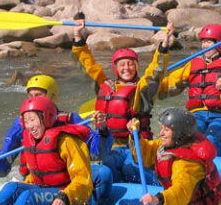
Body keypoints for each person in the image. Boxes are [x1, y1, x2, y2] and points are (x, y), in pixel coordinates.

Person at [0, 74, 111, 205]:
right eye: (30, 96)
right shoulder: (21, 124)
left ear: (52, 97)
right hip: (35, 183)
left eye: (38, 95)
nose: (33, 100)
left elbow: (98, 153)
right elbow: (3, 167)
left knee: (104, 173)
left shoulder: (71, 119)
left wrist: (102, 129)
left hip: (66, 183)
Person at [0, 96, 93, 205]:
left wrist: (65, 195)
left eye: (32, 120)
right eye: (26, 122)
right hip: (45, 189)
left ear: (47, 117)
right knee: (12, 187)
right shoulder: (32, 140)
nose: (29, 126)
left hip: (67, 193)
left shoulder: (67, 140)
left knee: (28, 196)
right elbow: (38, 174)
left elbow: (83, 180)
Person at [73, 18, 174, 181]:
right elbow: (89, 66)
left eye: (131, 64)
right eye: (122, 65)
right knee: (105, 169)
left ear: (136, 67)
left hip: (137, 145)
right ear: (116, 68)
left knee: (129, 169)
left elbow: (156, 72)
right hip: (111, 145)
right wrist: (78, 38)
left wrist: (163, 46)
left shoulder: (143, 88)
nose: (127, 68)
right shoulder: (105, 85)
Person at [159, 23, 221, 157]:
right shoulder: (192, 64)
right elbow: (170, 85)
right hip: (196, 114)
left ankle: (214, 162)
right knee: (188, 137)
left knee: (210, 138)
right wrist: (150, 85)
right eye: (203, 42)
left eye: (209, 42)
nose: (205, 46)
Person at [126, 108, 221, 205]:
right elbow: (146, 154)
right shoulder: (172, 144)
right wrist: (136, 135)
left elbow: (181, 191)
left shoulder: (187, 164)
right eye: (162, 128)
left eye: (166, 129)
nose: (161, 133)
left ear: (179, 134)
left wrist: (158, 199)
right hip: (189, 203)